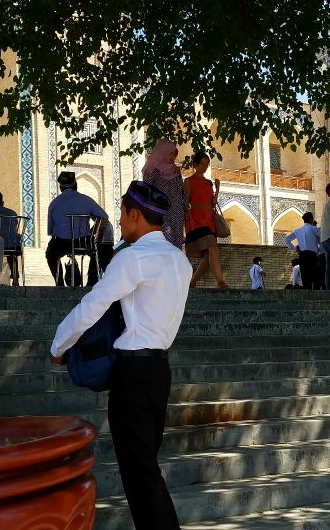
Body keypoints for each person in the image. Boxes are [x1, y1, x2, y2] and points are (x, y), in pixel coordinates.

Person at [50, 181, 191, 530]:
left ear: (135, 215)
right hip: (159, 371)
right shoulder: (179, 260)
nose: (121, 222)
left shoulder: (132, 257)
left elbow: (92, 306)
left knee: (140, 474)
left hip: (133, 374)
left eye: (123, 214)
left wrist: (59, 346)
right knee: (145, 466)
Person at [46, 171, 109, 286]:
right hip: (83, 242)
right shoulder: (86, 200)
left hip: (61, 243)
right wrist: (94, 230)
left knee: (50, 253)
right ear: (75, 185)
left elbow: (50, 231)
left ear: (60, 187)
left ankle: (60, 284)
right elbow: (104, 217)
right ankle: (91, 284)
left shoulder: (54, 204)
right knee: (98, 252)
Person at [185, 153, 228, 288]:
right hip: (197, 219)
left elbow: (213, 203)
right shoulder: (188, 181)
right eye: (202, 163)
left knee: (208, 254)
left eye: (207, 164)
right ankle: (220, 282)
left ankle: (192, 282)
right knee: (213, 247)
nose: (205, 166)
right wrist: (187, 216)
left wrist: (218, 188)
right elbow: (186, 201)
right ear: (195, 164)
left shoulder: (208, 183)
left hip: (209, 219)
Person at [142, 139, 186, 249]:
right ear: (162, 152)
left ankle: (176, 260)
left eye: (174, 154)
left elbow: (182, 191)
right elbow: (146, 191)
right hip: (161, 212)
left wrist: (186, 208)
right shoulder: (152, 171)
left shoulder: (176, 171)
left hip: (177, 212)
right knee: (165, 241)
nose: (173, 157)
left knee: (177, 243)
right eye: (170, 153)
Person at [285, 212, 322, 289]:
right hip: (312, 256)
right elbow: (322, 239)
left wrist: (295, 248)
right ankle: (316, 294)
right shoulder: (314, 228)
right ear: (311, 220)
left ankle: (307, 294)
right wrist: (320, 251)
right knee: (316, 277)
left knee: (305, 277)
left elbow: (287, 239)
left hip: (302, 256)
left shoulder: (297, 230)